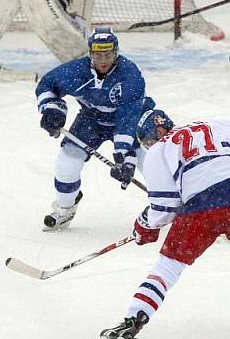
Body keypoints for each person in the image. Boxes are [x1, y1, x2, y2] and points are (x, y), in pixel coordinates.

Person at [99, 110, 230, 339]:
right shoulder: (213, 124)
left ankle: (134, 319)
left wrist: (143, 226)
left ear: (158, 132)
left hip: (202, 208)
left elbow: (164, 209)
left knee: (168, 266)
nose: (149, 144)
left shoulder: (158, 151)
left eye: (148, 140)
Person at [35, 27, 147, 230]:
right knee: (67, 162)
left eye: (108, 54)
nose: (103, 60)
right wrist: (53, 110)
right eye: (98, 55)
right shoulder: (77, 71)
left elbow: (128, 116)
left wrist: (123, 155)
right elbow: (47, 84)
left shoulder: (130, 74)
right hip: (91, 121)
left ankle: (173, 202)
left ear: (116, 53)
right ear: (90, 54)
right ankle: (65, 207)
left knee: (150, 162)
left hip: (129, 121)